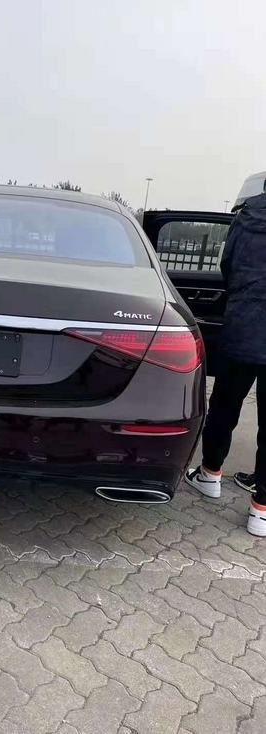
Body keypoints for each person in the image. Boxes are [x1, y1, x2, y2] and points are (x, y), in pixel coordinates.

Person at [185, 191, 266, 536]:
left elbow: (227, 265)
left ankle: (211, 474)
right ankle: (261, 509)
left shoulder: (247, 216)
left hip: (244, 325)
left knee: (225, 405)